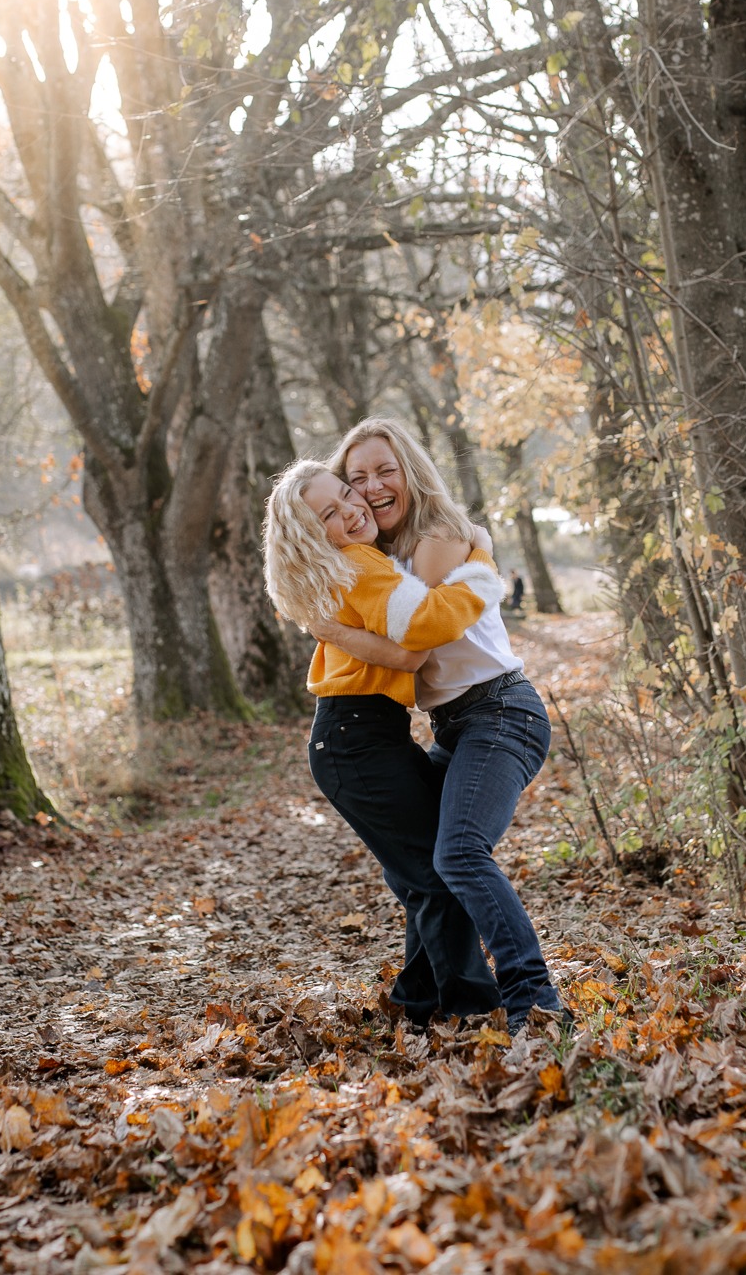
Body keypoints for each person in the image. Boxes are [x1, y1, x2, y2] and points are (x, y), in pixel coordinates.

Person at [321, 417, 564, 1032]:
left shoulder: (438, 533)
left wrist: (329, 628)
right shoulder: (379, 555)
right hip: (455, 726)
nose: (372, 488)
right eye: (356, 479)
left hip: (502, 712)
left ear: (411, 470)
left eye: (385, 471)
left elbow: (415, 639)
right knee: (421, 864)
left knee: (456, 854)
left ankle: (534, 1000)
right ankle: (424, 1001)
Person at [264, 460, 505, 1027]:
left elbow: (406, 653)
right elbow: (426, 627)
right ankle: (472, 1010)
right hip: (356, 741)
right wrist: (481, 561)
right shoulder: (358, 564)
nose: (352, 509)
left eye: (346, 494)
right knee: (434, 877)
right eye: (330, 513)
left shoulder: (350, 564)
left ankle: (418, 1003)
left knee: (428, 875)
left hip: (363, 736)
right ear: (313, 535)